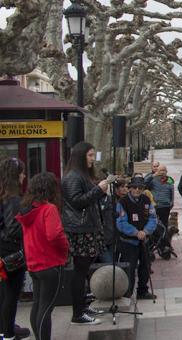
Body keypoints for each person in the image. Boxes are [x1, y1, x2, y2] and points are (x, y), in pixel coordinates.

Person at [17, 173, 70, 340]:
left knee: (38, 305)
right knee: (46, 308)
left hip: (34, 263)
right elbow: (54, 235)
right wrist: (65, 247)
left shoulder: (28, 210)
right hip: (50, 262)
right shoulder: (49, 209)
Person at [61, 142, 108, 326]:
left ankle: (82, 306)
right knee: (79, 272)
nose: (92, 159)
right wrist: (98, 190)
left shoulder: (82, 175)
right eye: (89, 155)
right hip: (79, 230)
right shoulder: (73, 176)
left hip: (87, 227)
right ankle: (77, 313)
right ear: (81, 156)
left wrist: (99, 190)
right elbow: (77, 201)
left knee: (84, 270)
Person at [115, 176, 157, 300]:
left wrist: (145, 231)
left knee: (145, 266)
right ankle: (127, 292)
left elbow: (153, 218)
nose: (137, 190)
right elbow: (121, 222)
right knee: (130, 268)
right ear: (130, 188)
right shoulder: (122, 203)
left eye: (140, 188)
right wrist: (135, 232)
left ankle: (142, 291)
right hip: (128, 242)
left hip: (144, 240)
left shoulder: (146, 200)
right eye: (134, 187)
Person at [0, 159, 26, 340]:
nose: (24, 176)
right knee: (11, 293)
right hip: (10, 253)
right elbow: (12, 229)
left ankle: (5, 326)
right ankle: (8, 332)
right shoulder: (14, 199)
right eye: (22, 172)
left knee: (3, 292)